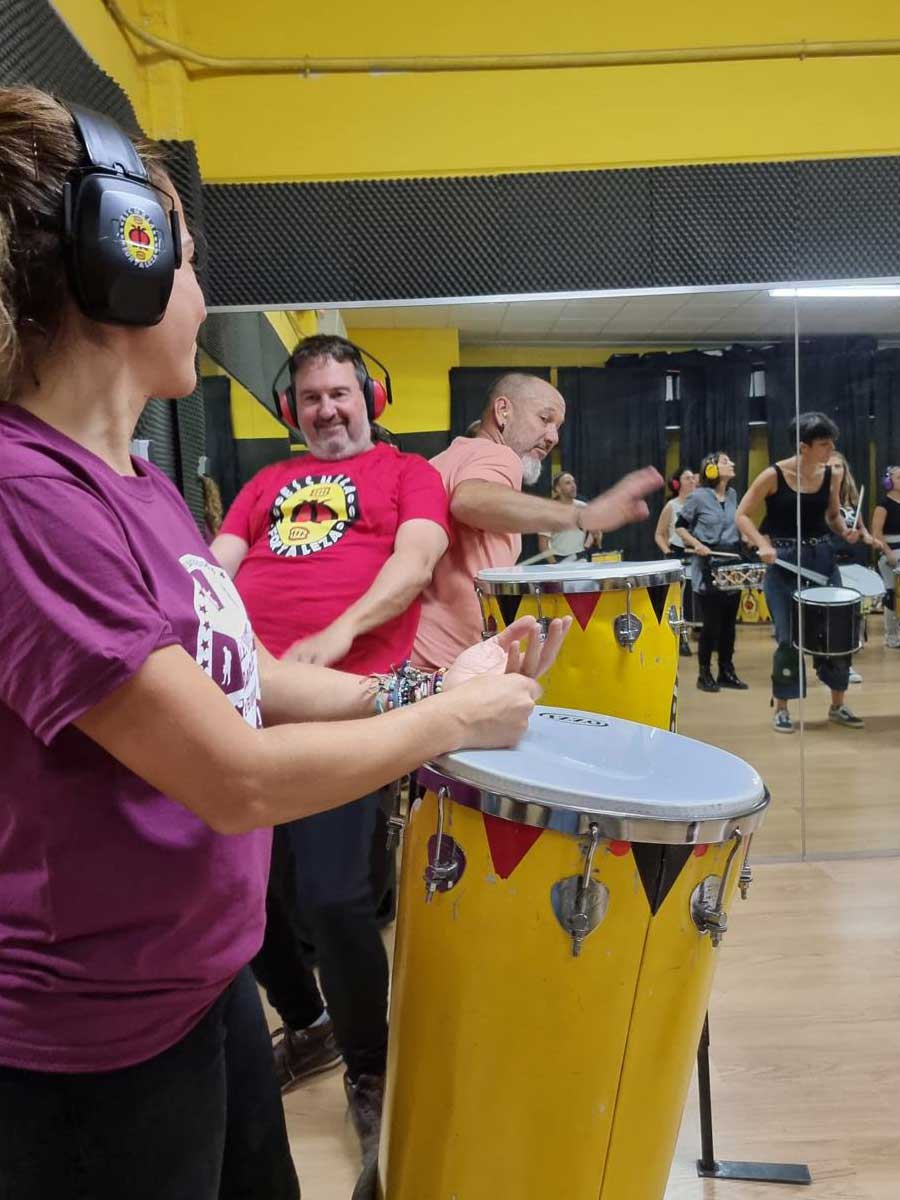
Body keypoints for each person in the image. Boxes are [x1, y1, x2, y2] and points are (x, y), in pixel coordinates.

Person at [0, 87, 565, 1200]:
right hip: (93, 1042)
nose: (204, 299)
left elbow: (241, 679)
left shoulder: (136, 481)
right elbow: (233, 775)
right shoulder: (28, 497)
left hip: (197, 985)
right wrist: (454, 721)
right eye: (193, 266)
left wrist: (418, 685)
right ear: (122, 267)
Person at [210, 333, 453, 1151]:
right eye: (311, 398)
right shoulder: (265, 484)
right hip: (246, 701)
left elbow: (417, 564)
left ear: (371, 399)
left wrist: (335, 633)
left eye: (339, 394)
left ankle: (372, 1064)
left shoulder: (406, 475)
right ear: (292, 411)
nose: (326, 409)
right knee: (235, 888)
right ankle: (307, 1022)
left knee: (334, 897)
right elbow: (215, 568)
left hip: (350, 703)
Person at [413, 372, 663, 669]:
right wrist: (582, 515)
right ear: (502, 410)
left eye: (557, 427)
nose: (553, 437)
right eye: (545, 419)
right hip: (448, 666)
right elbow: (469, 500)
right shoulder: (497, 455)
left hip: (414, 661)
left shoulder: (442, 460)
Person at [736, 412, 863, 733]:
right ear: (803, 447)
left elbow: (833, 515)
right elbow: (742, 516)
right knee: (788, 639)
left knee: (835, 635)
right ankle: (782, 708)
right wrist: (760, 544)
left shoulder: (830, 474)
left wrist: (845, 530)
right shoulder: (773, 475)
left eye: (831, 442)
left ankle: (837, 704)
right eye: (824, 444)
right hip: (784, 562)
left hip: (821, 558)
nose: (830, 448)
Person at [675, 452, 748, 692]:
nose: (733, 464)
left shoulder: (733, 495)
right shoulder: (698, 497)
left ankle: (726, 670)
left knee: (729, 624)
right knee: (712, 625)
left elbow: (735, 525)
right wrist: (696, 544)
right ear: (711, 469)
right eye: (727, 461)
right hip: (707, 566)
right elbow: (680, 527)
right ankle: (704, 673)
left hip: (731, 564)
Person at [654, 466, 698, 657]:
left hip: (697, 555)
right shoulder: (672, 506)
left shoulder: (701, 504)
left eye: (693, 478)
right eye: (687, 478)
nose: (692, 481)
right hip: (677, 555)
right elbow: (659, 534)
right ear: (677, 483)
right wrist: (667, 551)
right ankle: (681, 638)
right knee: (678, 601)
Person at [537, 470, 598, 562]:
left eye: (574, 482)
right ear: (558, 489)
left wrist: (585, 547)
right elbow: (543, 545)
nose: (573, 486)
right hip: (558, 559)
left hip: (581, 558)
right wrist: (554, 565)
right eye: (568, 483)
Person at [872, 464, 900, 648]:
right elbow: (876, 533)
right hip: (891, 554)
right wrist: (888, 552)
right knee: (892, 595)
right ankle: (891, 636)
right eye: (899, 478)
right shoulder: (883, 506)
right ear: (889, 482)